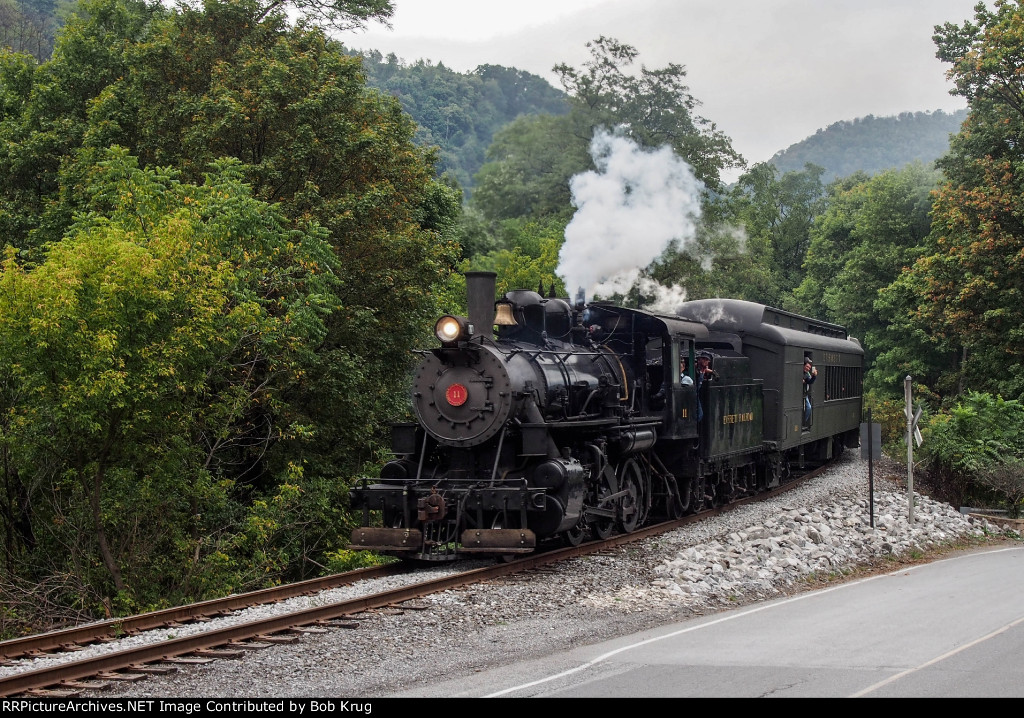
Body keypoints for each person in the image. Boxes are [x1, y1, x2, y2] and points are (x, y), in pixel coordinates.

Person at [803, 358, 818, 429]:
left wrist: (814, 376)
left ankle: (804, 421)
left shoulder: (807, 374)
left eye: (809, 367)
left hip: (804, 394)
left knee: (808, 408)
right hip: (800, 394)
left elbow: (810, 381)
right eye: (807, 366)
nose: (808, 368)